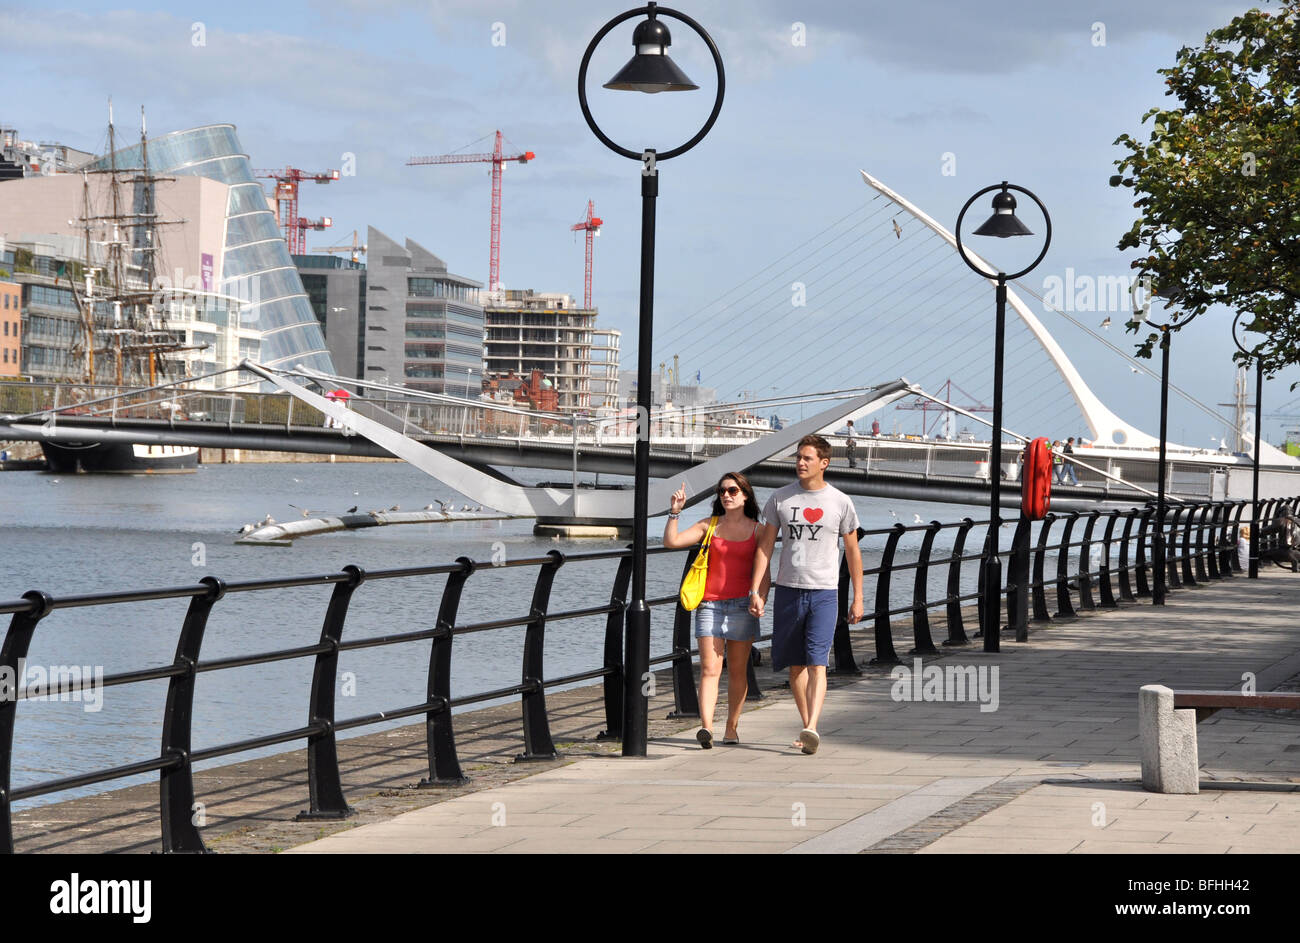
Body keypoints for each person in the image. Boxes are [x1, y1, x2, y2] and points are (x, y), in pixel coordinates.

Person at [750, 435, 864, 755]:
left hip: (825, 592)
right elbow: (766, 547)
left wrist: (858, 598)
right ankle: (806, 726)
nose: (800, 462)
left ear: (823, 463)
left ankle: (812, 726)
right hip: (788, 589)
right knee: (795, 666)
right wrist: (756, 591)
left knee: (818, 662)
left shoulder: (840, 502)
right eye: (798, 457)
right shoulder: (780, 499)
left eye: (807, 458)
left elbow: (853, 552)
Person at [664, 472, 768, 748]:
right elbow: (672, 542)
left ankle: (731, 727)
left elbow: (764, 569)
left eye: (733, 491)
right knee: (710, 669)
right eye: (722, 491)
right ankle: (706, 727)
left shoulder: (758, 530)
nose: (726, 495)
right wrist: (675, 512)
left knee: (737, 670)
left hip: (742, 605)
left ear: (745, 495)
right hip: (709, 604)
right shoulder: (708, 526)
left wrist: (761, 597)